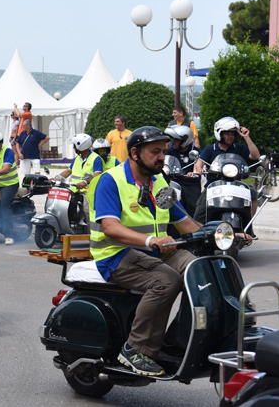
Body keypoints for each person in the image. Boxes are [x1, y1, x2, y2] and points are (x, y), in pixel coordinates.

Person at [92, 126, 200, 376]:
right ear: (135, 153)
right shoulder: (111, 180)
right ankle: (135, 349)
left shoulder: (159, 181)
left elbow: (183, 221)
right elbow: (110, 228)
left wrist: (223, 235)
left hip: (154, 250)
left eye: (163, 151)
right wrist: (150, 239)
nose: (162, 156)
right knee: (166, 281)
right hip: (116, 254)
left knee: (198, 270)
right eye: (155, 151)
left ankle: (175, 342)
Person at [192, 117, 260, 225]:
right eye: (227, 134)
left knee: (253, 194)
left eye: (233, 134)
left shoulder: (239, 148)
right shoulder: (210, 149)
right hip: (214, 187)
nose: (230, 136)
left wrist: (246, 137)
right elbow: (198, 165)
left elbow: (256, 156)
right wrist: (199, 169)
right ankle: (201, 233)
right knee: (198, 216)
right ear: (219, 133)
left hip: (235, 185)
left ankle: (248, 224)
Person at [58, 133, 103, 227]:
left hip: (88, 190)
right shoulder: (77, 159)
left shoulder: (96, 158)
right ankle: (65, 228)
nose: (74, 148)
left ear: (80, 146)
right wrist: (56, 178)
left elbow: (97, 175)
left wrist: (85, 182)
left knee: (87, 210)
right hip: (75, 189)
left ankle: (91, 233)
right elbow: (68, 171)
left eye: (74, 146)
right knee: (62, 205)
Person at [163, 125, 200, 218]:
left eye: (176, 140)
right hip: (174, 183)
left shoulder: (196, 152)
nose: (173, 142)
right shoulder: (171, 151)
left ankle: (194, 225)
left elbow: (199, 165)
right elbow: (165, 163)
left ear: (184, 140)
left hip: (190, 184)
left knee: (193, 207)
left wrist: (194, 172)